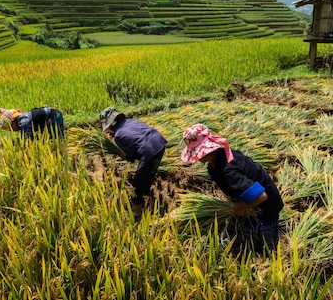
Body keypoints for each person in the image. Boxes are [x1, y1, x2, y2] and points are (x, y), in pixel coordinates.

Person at [181, 123, 283, 256]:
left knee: (262, 243)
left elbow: (261, 196)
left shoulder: (227, 170)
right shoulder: (219, 159)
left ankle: (264, 257)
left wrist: (239, 207)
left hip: (265, 206)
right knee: (246, 232)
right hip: (252, 200)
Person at [99, 107, 168, 220]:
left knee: (135, 188)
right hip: (159, 143)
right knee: (148, 173)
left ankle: (137, 214)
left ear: (110, 125)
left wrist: (122, 155)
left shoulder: (118, 135)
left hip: (149, 151)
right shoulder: (130, 121)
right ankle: (147, 193)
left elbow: (131, 157)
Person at [0, 106, 64, 141]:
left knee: (54, 136)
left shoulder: (23, 122)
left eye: (11, 128)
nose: (13, 130)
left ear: (13, 123)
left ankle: (62, 140)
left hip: (55, 117)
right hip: (47, 118)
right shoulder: (22, 118)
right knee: (41, 133)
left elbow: (29, 137)